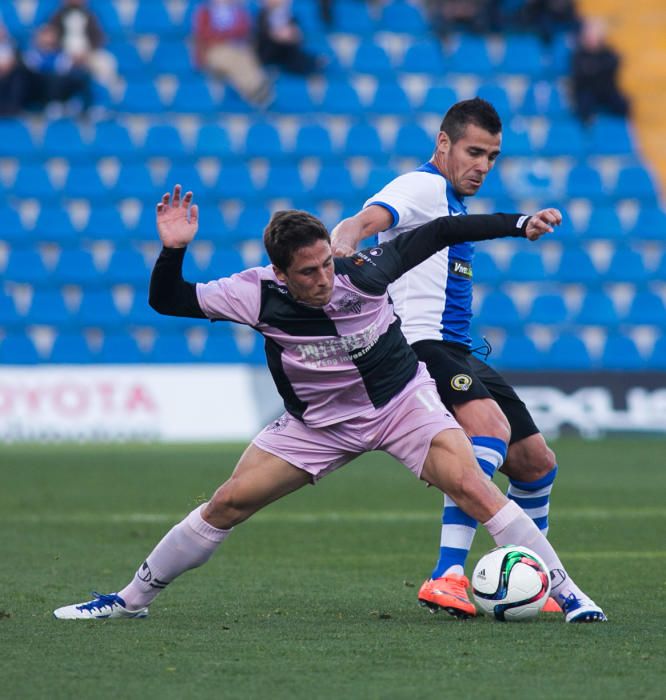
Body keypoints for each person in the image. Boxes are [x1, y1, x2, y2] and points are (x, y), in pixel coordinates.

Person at [53, 184, 605, 624]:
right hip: (317, 426)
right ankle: (130, 599)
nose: (324, 279)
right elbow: (167, 299)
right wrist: (173, 251)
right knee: (227, 504)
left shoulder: (362, 272)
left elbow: (439, 230)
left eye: (325, 263)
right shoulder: (251, 293)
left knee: (473, 486)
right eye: (309, 272)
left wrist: (517, 224)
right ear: (279, 273)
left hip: (401, 405)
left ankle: (571, 593)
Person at [331, 98, 566, 618]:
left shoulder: (453, 202)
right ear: (444, 144)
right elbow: (365, 219)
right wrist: (344, 241)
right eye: (474, 152)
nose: (482, 166)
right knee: (487, 428)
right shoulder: (421, 187)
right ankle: (447, 574)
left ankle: (528, 574)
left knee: (535, 463)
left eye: (492, 157)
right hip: (415, 344)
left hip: (456, 349)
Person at [192, 0, 273, 107]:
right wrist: (227, 37)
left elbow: (245, 30)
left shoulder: (238, 11)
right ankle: (255, 89)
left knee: (245, 55)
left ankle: (256, 89)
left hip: (236, 50)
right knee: (230, 55)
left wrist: (224, 35)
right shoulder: (204, 12)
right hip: (213, 52)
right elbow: (204, 35)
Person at [23, 24, 92, 115]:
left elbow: (65, 69)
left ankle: (75, 103)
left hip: (59, 85)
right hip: (38, 88)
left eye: (50, 36)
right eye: (45, 36)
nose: (48, 39)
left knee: (78, 75)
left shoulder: (61, 55)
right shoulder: (32, 54)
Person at [47, 0, 118, 89]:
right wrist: (67, 53)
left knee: (106, 62)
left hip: (89, 53)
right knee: (56, 65)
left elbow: (99, 37)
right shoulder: (57, 15)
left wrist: (87, 53)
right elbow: (50, 37)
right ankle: (59, 98)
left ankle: (103, 95)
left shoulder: (91, 15)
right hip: (64, 53)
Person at [571, 17, 629, 124]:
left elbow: (614, 66)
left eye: (594, 35)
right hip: (587, 91)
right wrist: (598, 68)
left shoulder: (608, 52)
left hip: (606, 90)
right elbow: (579, 74)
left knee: (623, 105)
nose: (591, 39)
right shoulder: (579, 54)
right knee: (583, 106)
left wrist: (593, 69)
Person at [255, 0, 322, 75]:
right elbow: (265, 33)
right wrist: (279, 35)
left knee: (295, 46)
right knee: (292, 58)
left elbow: (294, 25)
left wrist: (295, 33)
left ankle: (309, 62)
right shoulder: (263, 14)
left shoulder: (285, 12)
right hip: (271, 48)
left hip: (286, 44)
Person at [0, 22, 30, 116]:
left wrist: (11, 65)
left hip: (11, 74)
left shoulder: (13, 46)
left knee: (19, 75)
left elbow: (21, 61)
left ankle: (13, 108)